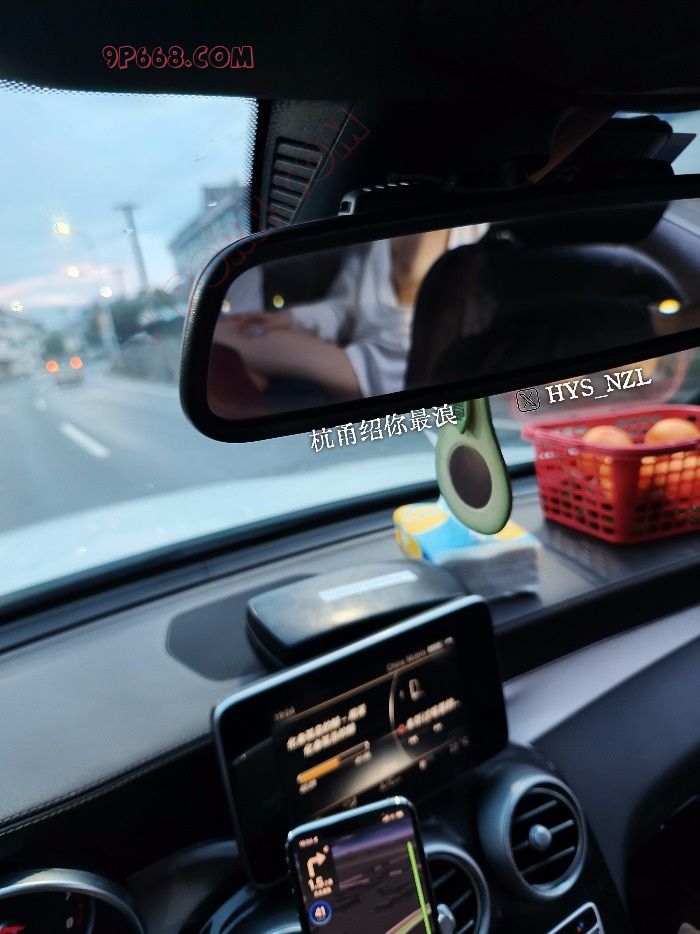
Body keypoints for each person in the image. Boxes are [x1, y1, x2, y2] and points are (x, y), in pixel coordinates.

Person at [212, 225, 488, 406]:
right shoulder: (373, 227)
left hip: (409, 369)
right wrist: (289, 319)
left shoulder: (476, 226)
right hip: (362, 358)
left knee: (223, 337)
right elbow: (345, 307)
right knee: (238, 361)